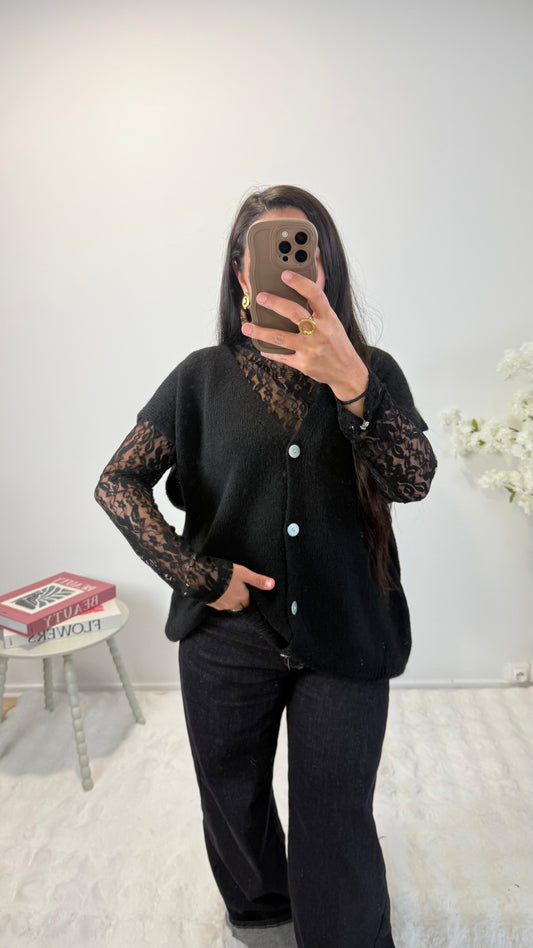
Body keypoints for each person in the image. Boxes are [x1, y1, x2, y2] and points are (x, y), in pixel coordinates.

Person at [95, 184, 437, 948]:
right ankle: (262, 921)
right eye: (265, 250)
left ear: (325, 265)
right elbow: (117, 482)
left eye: (300, 247)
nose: (284, 265)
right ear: (240, 272)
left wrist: (351, 384)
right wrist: (198, 575)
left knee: (335, 814)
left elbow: (412, 480)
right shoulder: (199, 377)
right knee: (232, 797)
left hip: (346, 629)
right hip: (227, 638)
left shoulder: (372, 371)